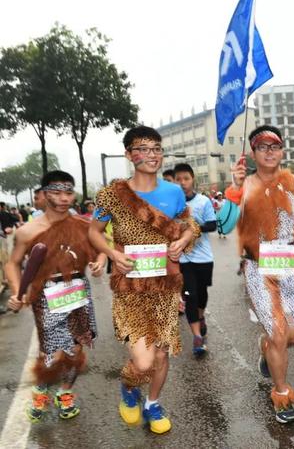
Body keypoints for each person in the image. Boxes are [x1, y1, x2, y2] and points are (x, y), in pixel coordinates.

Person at [89, 126, 200, 434]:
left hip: (165, 286)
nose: (152, 155)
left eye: (156, 149)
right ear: (129, 154)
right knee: (142, 362)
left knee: (162, 353)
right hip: (130, 287)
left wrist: (183, 239)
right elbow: (93, 233)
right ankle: (128, 385)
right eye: (144, 149)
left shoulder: (173, 191)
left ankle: (152, 403)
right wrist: (112, 253)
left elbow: (189, 223)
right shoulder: (112, 195)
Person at [6, 171, 107, 422]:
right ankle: (43, 385)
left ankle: (65, 393)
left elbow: (102, 248)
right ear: (43, 194)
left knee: (74, 349)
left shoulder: (85, 226)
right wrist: (18, 291)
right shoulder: (28, 231)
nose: (64, 198)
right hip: (46, 294)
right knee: (51, 352)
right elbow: (12, 263)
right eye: (57, 192)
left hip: (78, 291)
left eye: (68, 193)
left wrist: (100, 262)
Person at [225, 125, 294, 424]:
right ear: (253, 153)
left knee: (293, 336)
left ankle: (266, 350)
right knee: (278, 333)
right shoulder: (243, 186)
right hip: (258, 268)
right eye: (263, 147)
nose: (270, 151)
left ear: (282, 150)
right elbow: (223, 225)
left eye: (275, 146)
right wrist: (234, 192)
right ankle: (282, 394)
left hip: (292, 266)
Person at [173, 163, 217, 357]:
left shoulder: (203, 201)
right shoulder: (172, 203)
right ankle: (197, 336)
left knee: (202, 294)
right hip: (183, 259)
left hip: (204, 258)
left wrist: (195, 226)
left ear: (192, 180)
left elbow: (213, 225)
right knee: (190, 296)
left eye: (186, 178)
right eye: (178, 179)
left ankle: (201, 316)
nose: (182, 183)